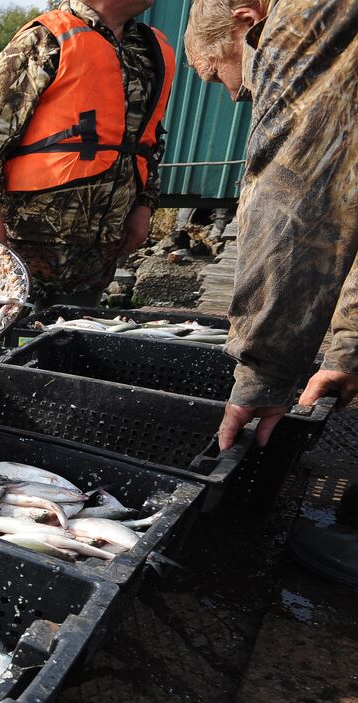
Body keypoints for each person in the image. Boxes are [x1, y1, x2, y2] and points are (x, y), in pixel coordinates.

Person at [185, 0, 358, 588]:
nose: (231, 94)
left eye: (216, 72)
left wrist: (262, 375)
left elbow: (295, 206)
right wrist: (348, 349)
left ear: (244, 21)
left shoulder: (300, 18)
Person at [0, 0, 176, 304]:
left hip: (101, 256)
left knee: (77, 342)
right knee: (12, 345)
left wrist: (145, 205)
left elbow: (149, 142)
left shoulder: (148, 51)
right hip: (26, 253)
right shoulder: (43, 40)